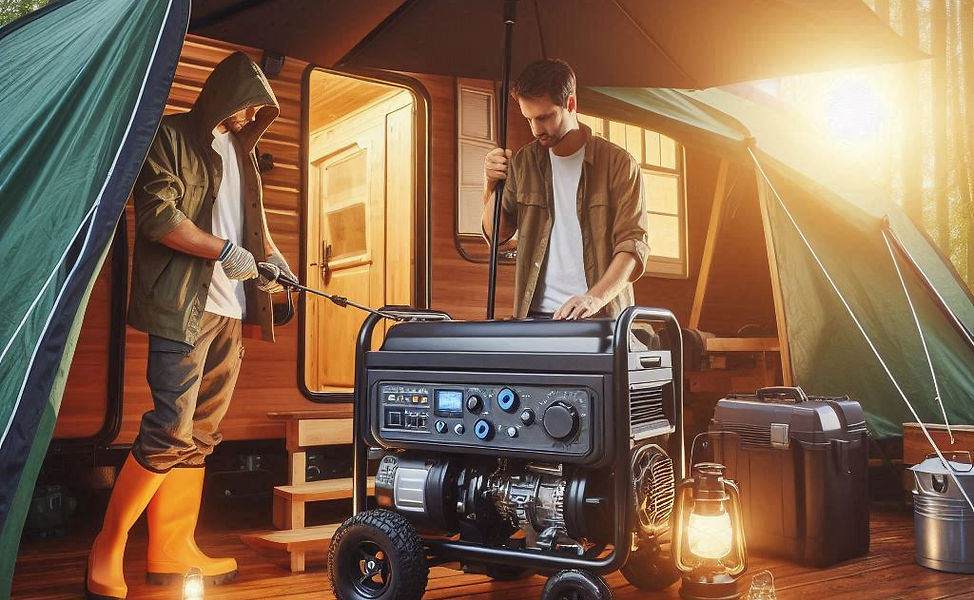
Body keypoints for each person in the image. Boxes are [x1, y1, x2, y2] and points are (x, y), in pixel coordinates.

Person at [85, 51, 294, 600]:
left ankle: (173, 548)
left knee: (201, 432)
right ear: (223, 94)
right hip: (184, 307)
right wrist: (224, 250)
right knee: (168, 428)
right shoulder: (170, 136)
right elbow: (159, 217)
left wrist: (275, 260)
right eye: (245, 106)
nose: (248, 117)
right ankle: (107, 546)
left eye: (257, 111)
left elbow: (252, 228)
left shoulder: (244, 155)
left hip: (231, 310)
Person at [482, 59, 649, 321]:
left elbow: (633, 246)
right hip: (533, 318)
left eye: (544, 117)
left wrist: (594, 298)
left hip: (599, 316)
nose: (536, 130)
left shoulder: (618, 164)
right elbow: (497, 236)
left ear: (570, 104)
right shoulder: (523, 163)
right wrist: (490, 183)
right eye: (529, 119)